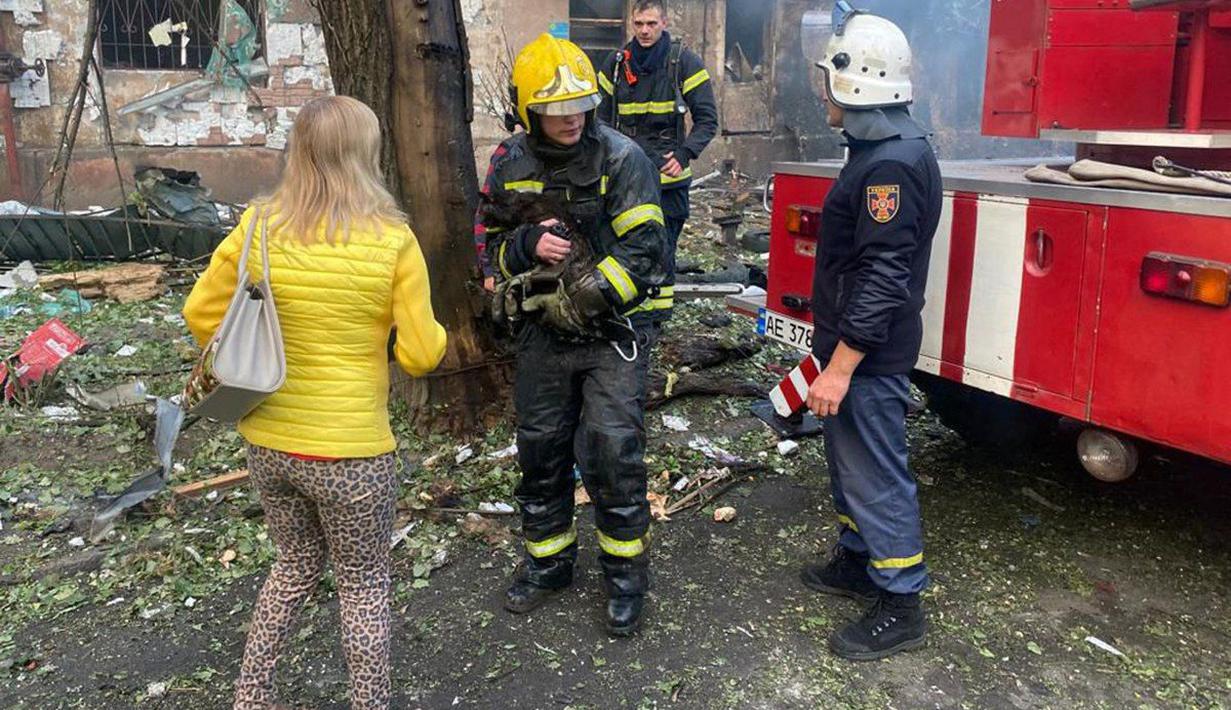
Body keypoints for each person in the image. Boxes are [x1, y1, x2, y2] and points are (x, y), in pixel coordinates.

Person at [183, 95, 447, 709]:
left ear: (298, 152)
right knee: (362, 585)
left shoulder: (258, 227)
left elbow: (200, 315)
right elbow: (420, 357)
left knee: (293, 566)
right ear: (365, 153)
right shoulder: (393, 241)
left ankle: (250, 698)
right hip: (353, 456)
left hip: (270, 443)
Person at [478, 34, 669, 636]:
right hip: (541, 339)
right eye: (557, 109)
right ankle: (548, 564)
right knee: (542, 449)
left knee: (613, 451)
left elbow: (646, 250)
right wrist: (524, 246)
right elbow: (485, 250)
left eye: (581, 105)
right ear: (527, 109)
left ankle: (624, 580)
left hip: (610, 334)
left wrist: (585, 298)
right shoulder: (507, 164)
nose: (571, 118)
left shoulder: (621, 159)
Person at [798, 3, 942, 661]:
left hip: (869, 357)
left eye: (829, 77)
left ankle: (900, 600)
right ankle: (858, 560)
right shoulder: (878, 151)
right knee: (849, 465)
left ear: (858, 85)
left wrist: (841, 364)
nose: (821, 88)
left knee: (877, 474)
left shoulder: (889, 165)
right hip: (850, 348)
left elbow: (884, 278)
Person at [597, 0, 718, 309]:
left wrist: (685, 153)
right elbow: (599, 123)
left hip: (669, 180)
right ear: (631, 24)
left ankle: (657, 320)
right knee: (623, 248)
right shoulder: (614, 66)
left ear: (664, 22)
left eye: (651, 23)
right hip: (626, 180)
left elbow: (707, 120)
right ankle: (628, 313)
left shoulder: (684, 63)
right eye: (639, 24)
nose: (645, 31)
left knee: (663, 252)